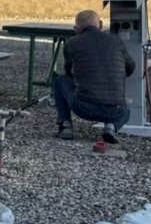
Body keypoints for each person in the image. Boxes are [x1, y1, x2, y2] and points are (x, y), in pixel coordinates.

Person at [53, 8, 134, 141]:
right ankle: (111, 127)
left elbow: (69, 73)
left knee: (60, 81)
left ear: (76, 29)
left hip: (84, 108)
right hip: (116, 111)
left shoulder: (72, 43)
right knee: (126, 111)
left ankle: (65, 126)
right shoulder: (116, 41)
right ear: (100, 25)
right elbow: (130, 68)